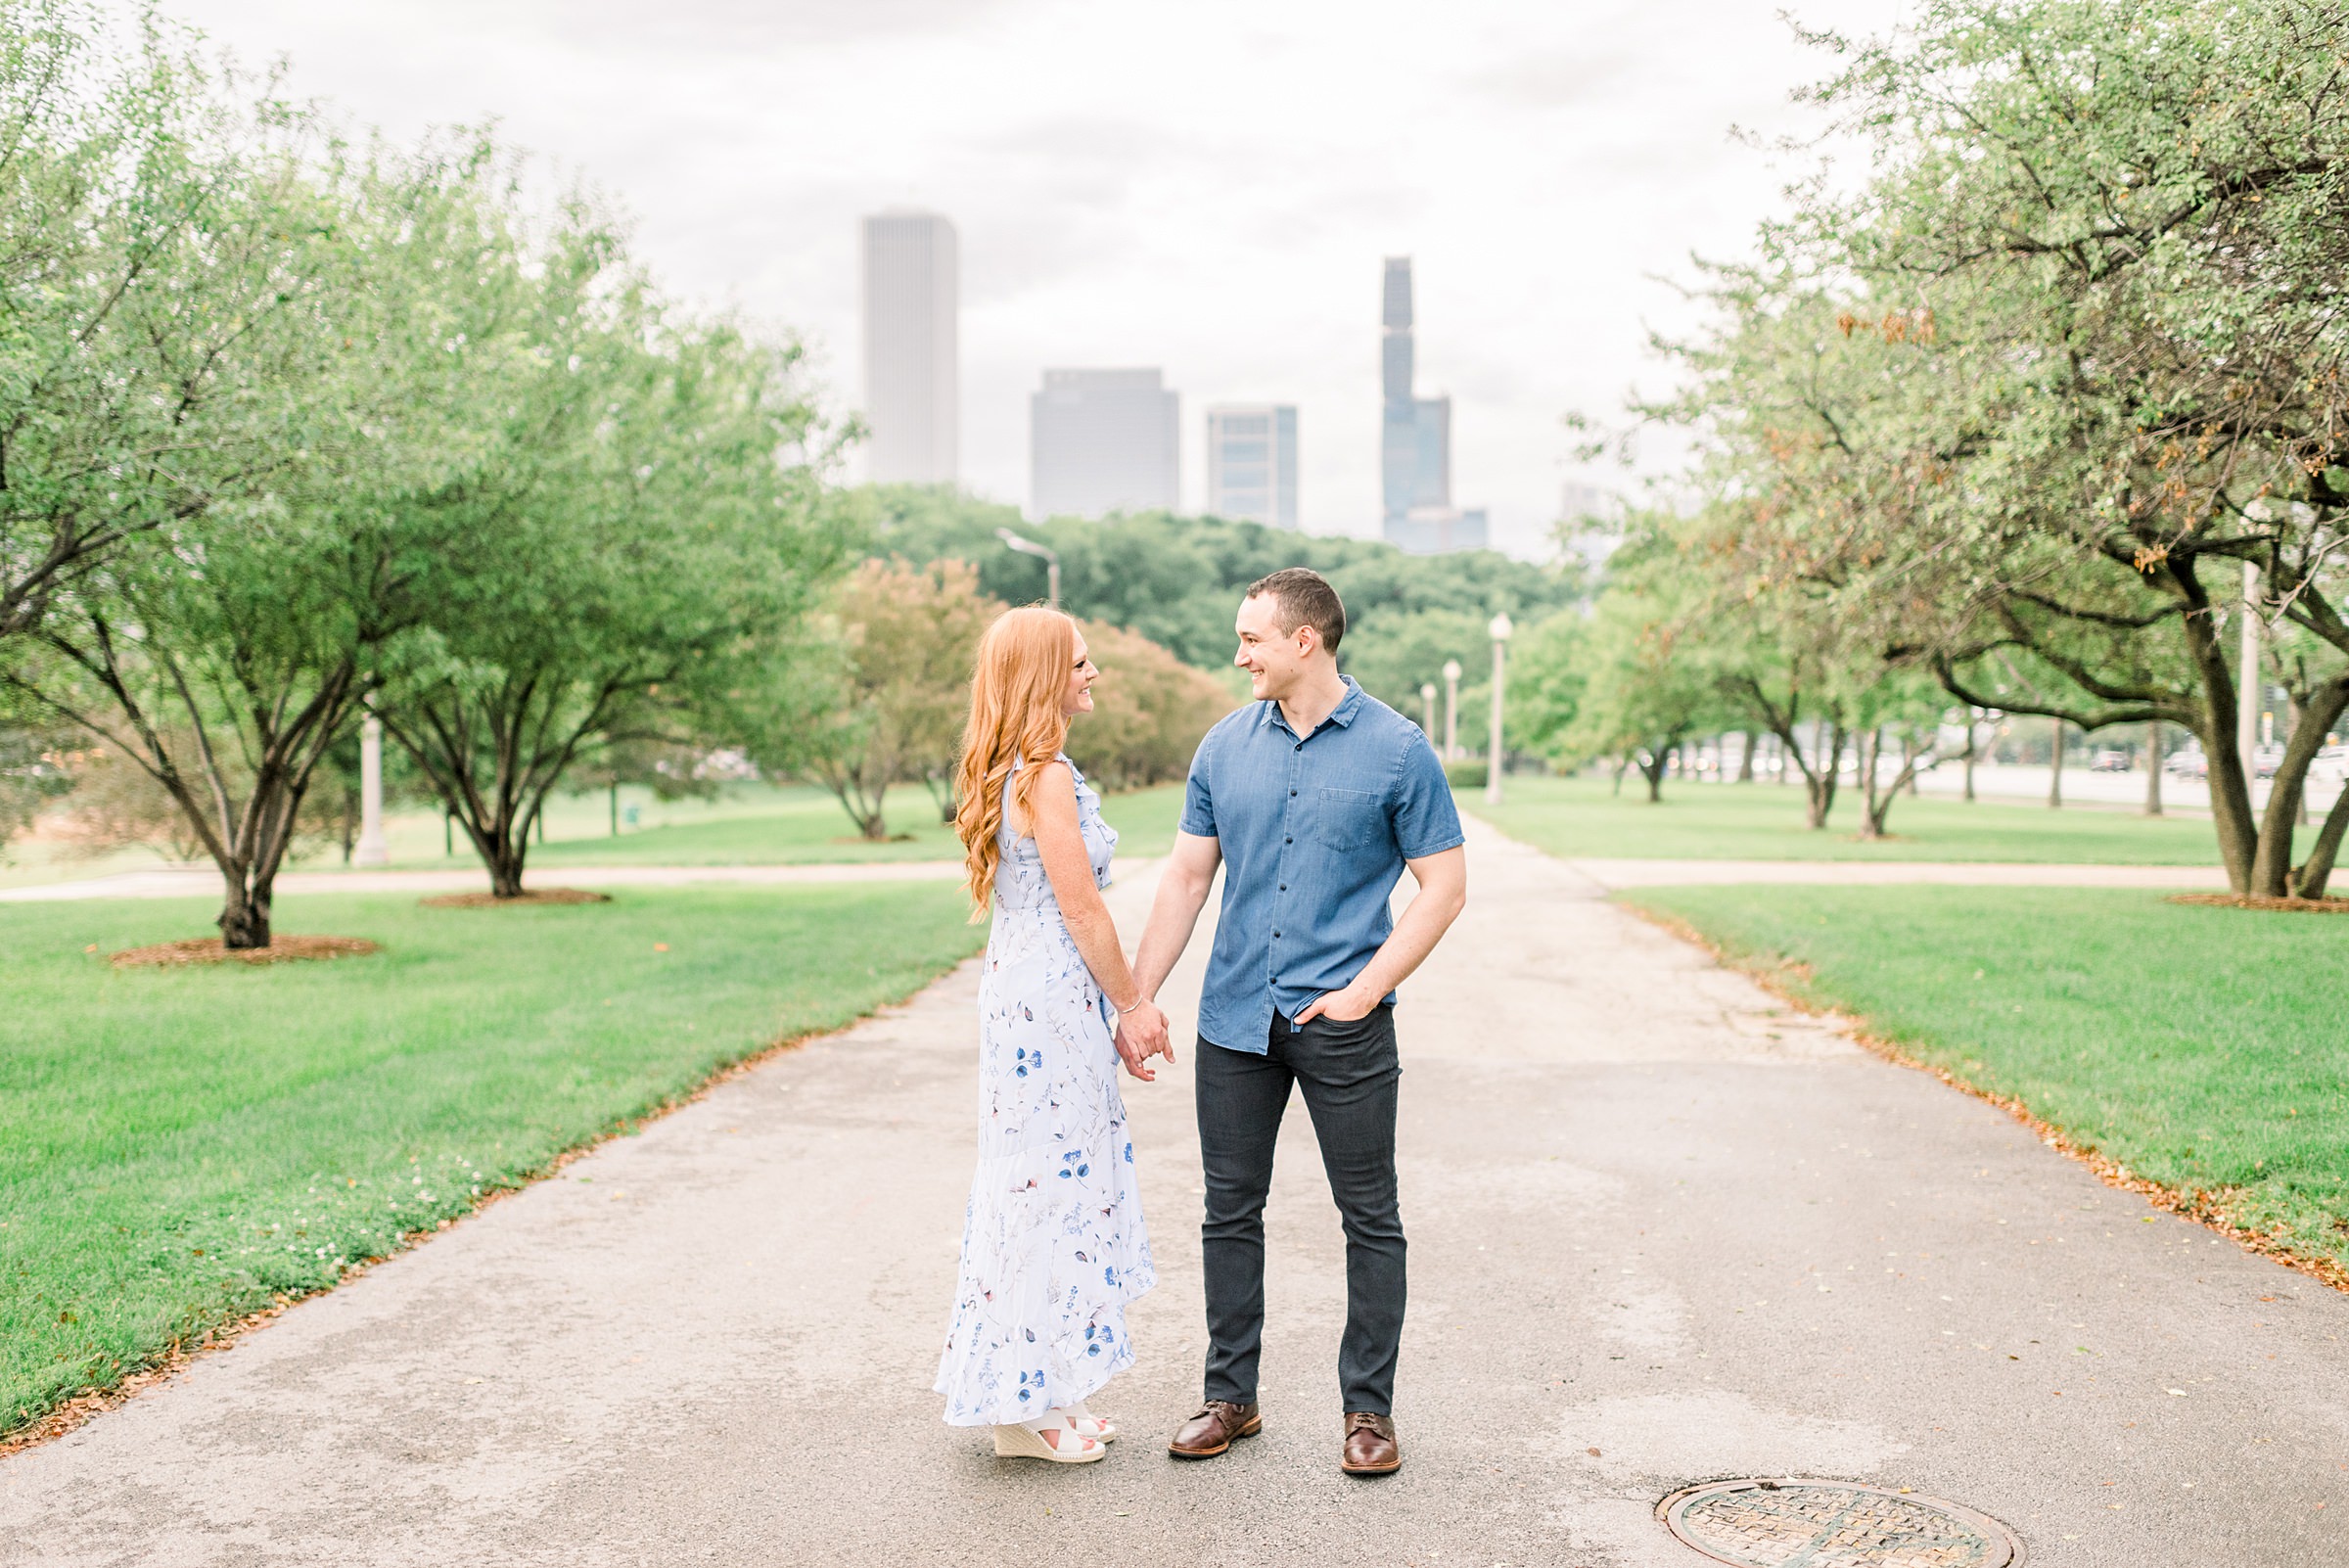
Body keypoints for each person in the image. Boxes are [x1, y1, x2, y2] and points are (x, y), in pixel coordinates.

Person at [1120, 567, 1467, 1477]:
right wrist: (1140, 995)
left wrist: (1363, 991)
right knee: (1229, 1211)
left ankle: (1369, 1414)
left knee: (1370, 1216)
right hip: (1234, 1019)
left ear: (1303, 640)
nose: (1239, 656)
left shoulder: (1398, 751)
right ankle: (1230, 1397)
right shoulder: (1223, 747)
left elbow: (1445, 888)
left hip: (1344, 1026)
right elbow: (1188, 878)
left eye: (1251, 640)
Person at [934, 607, 1171, 1463]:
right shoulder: (1046, 776)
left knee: (1051, 1181)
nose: (1093, 672)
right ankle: (1016, 1410)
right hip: (1048, 999)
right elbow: (1082, 906)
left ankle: (1049, 1388)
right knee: (1042, 1187)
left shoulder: (1019, 770)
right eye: (1079, 662)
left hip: (1034, 995)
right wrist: (1134, 1006)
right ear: (1042, 678)